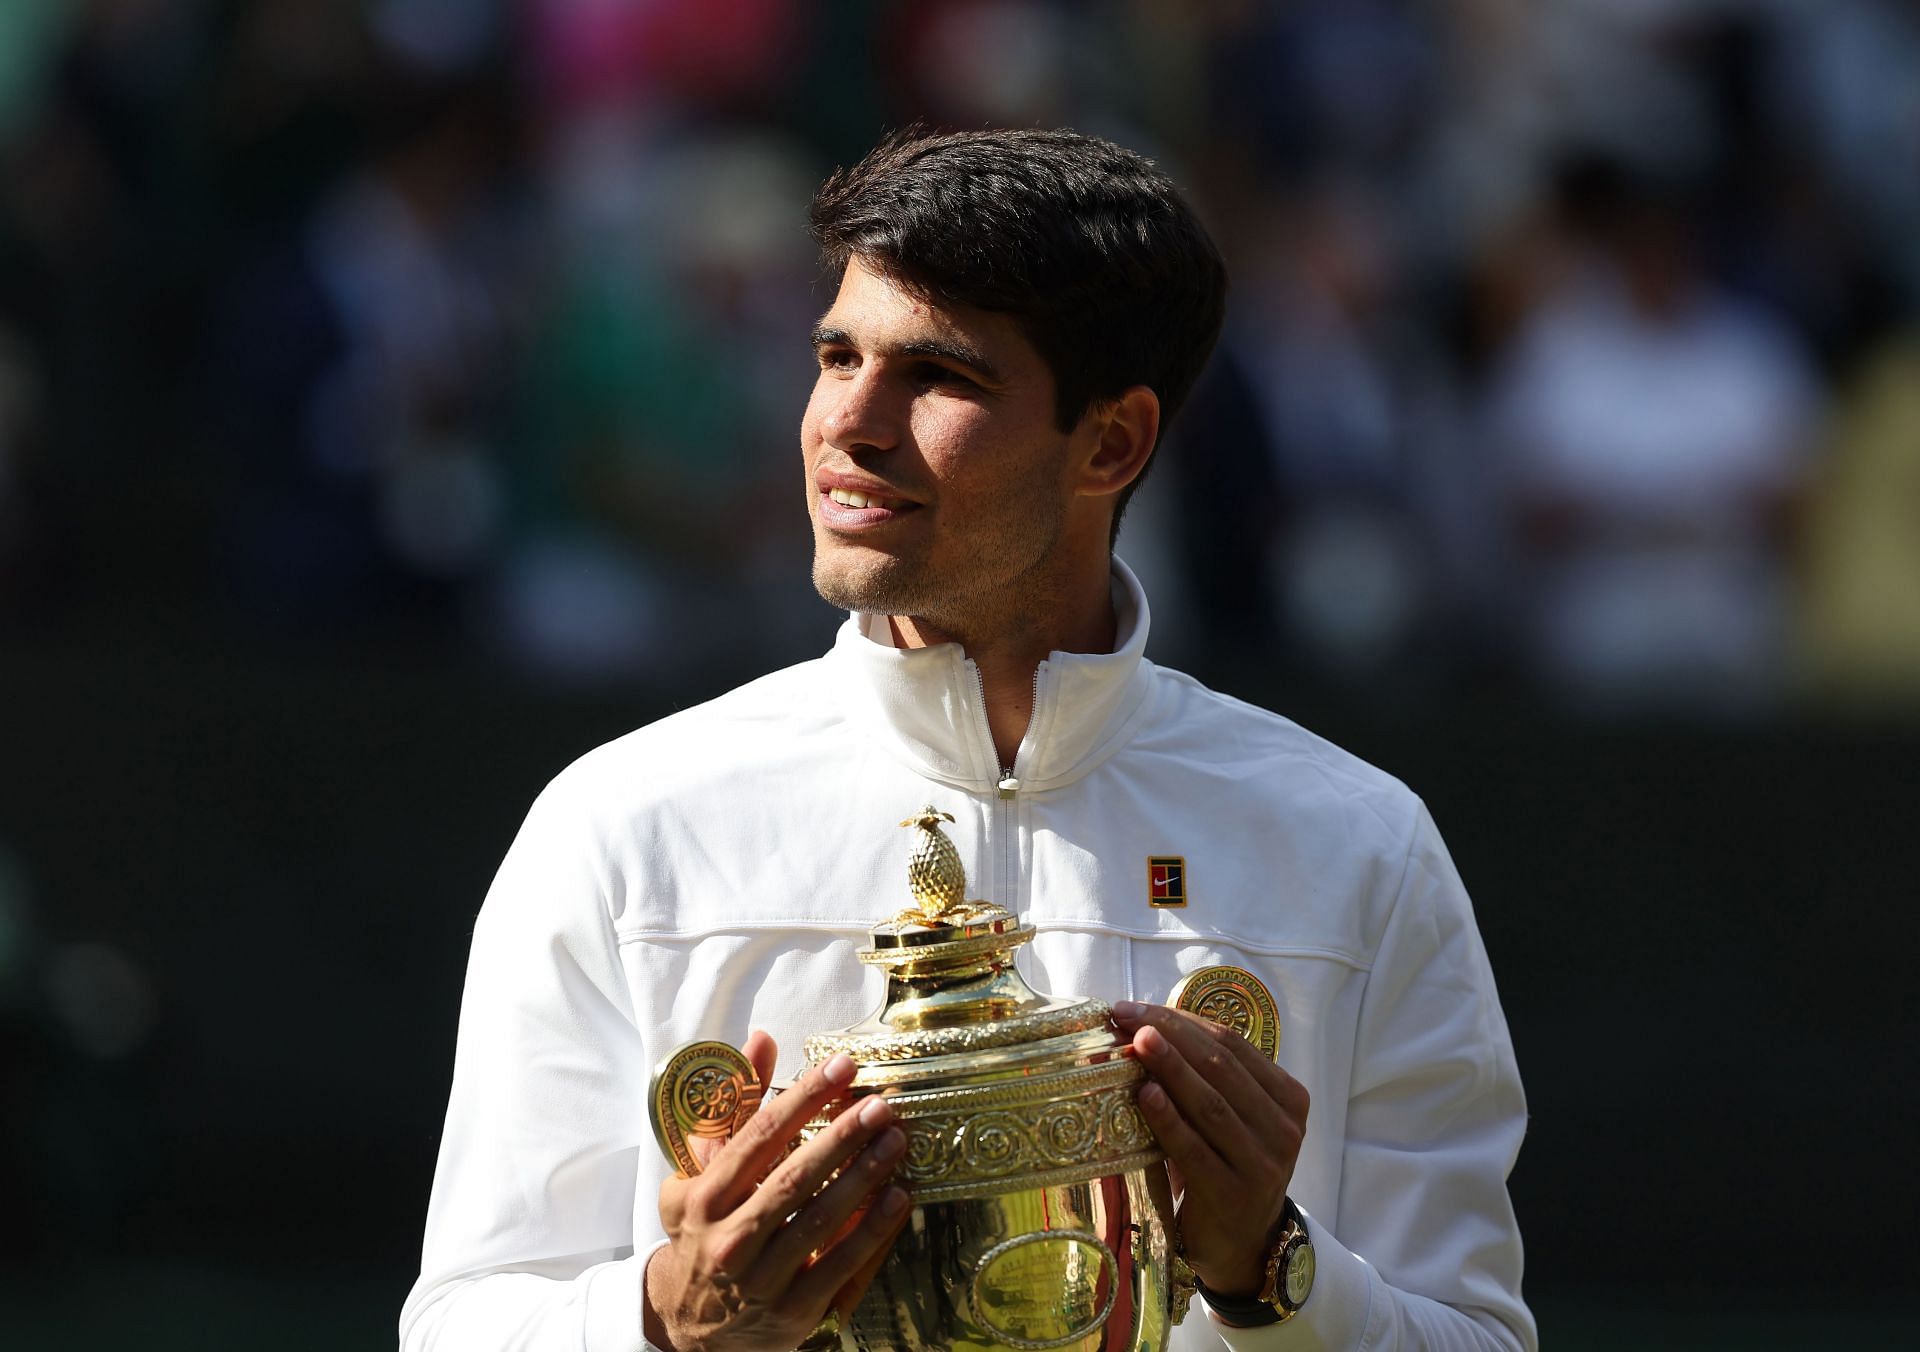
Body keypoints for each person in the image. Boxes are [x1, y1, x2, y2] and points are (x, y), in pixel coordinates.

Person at [400, 127, 1534, 1352]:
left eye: (939, 376)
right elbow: (464, 1318)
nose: (852, 423)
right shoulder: (622, 824)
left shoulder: (1358, 845)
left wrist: (1271, 1273)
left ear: (1113, 442)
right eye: (837, 354)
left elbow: (1475, 1335)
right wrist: (668, 1319)